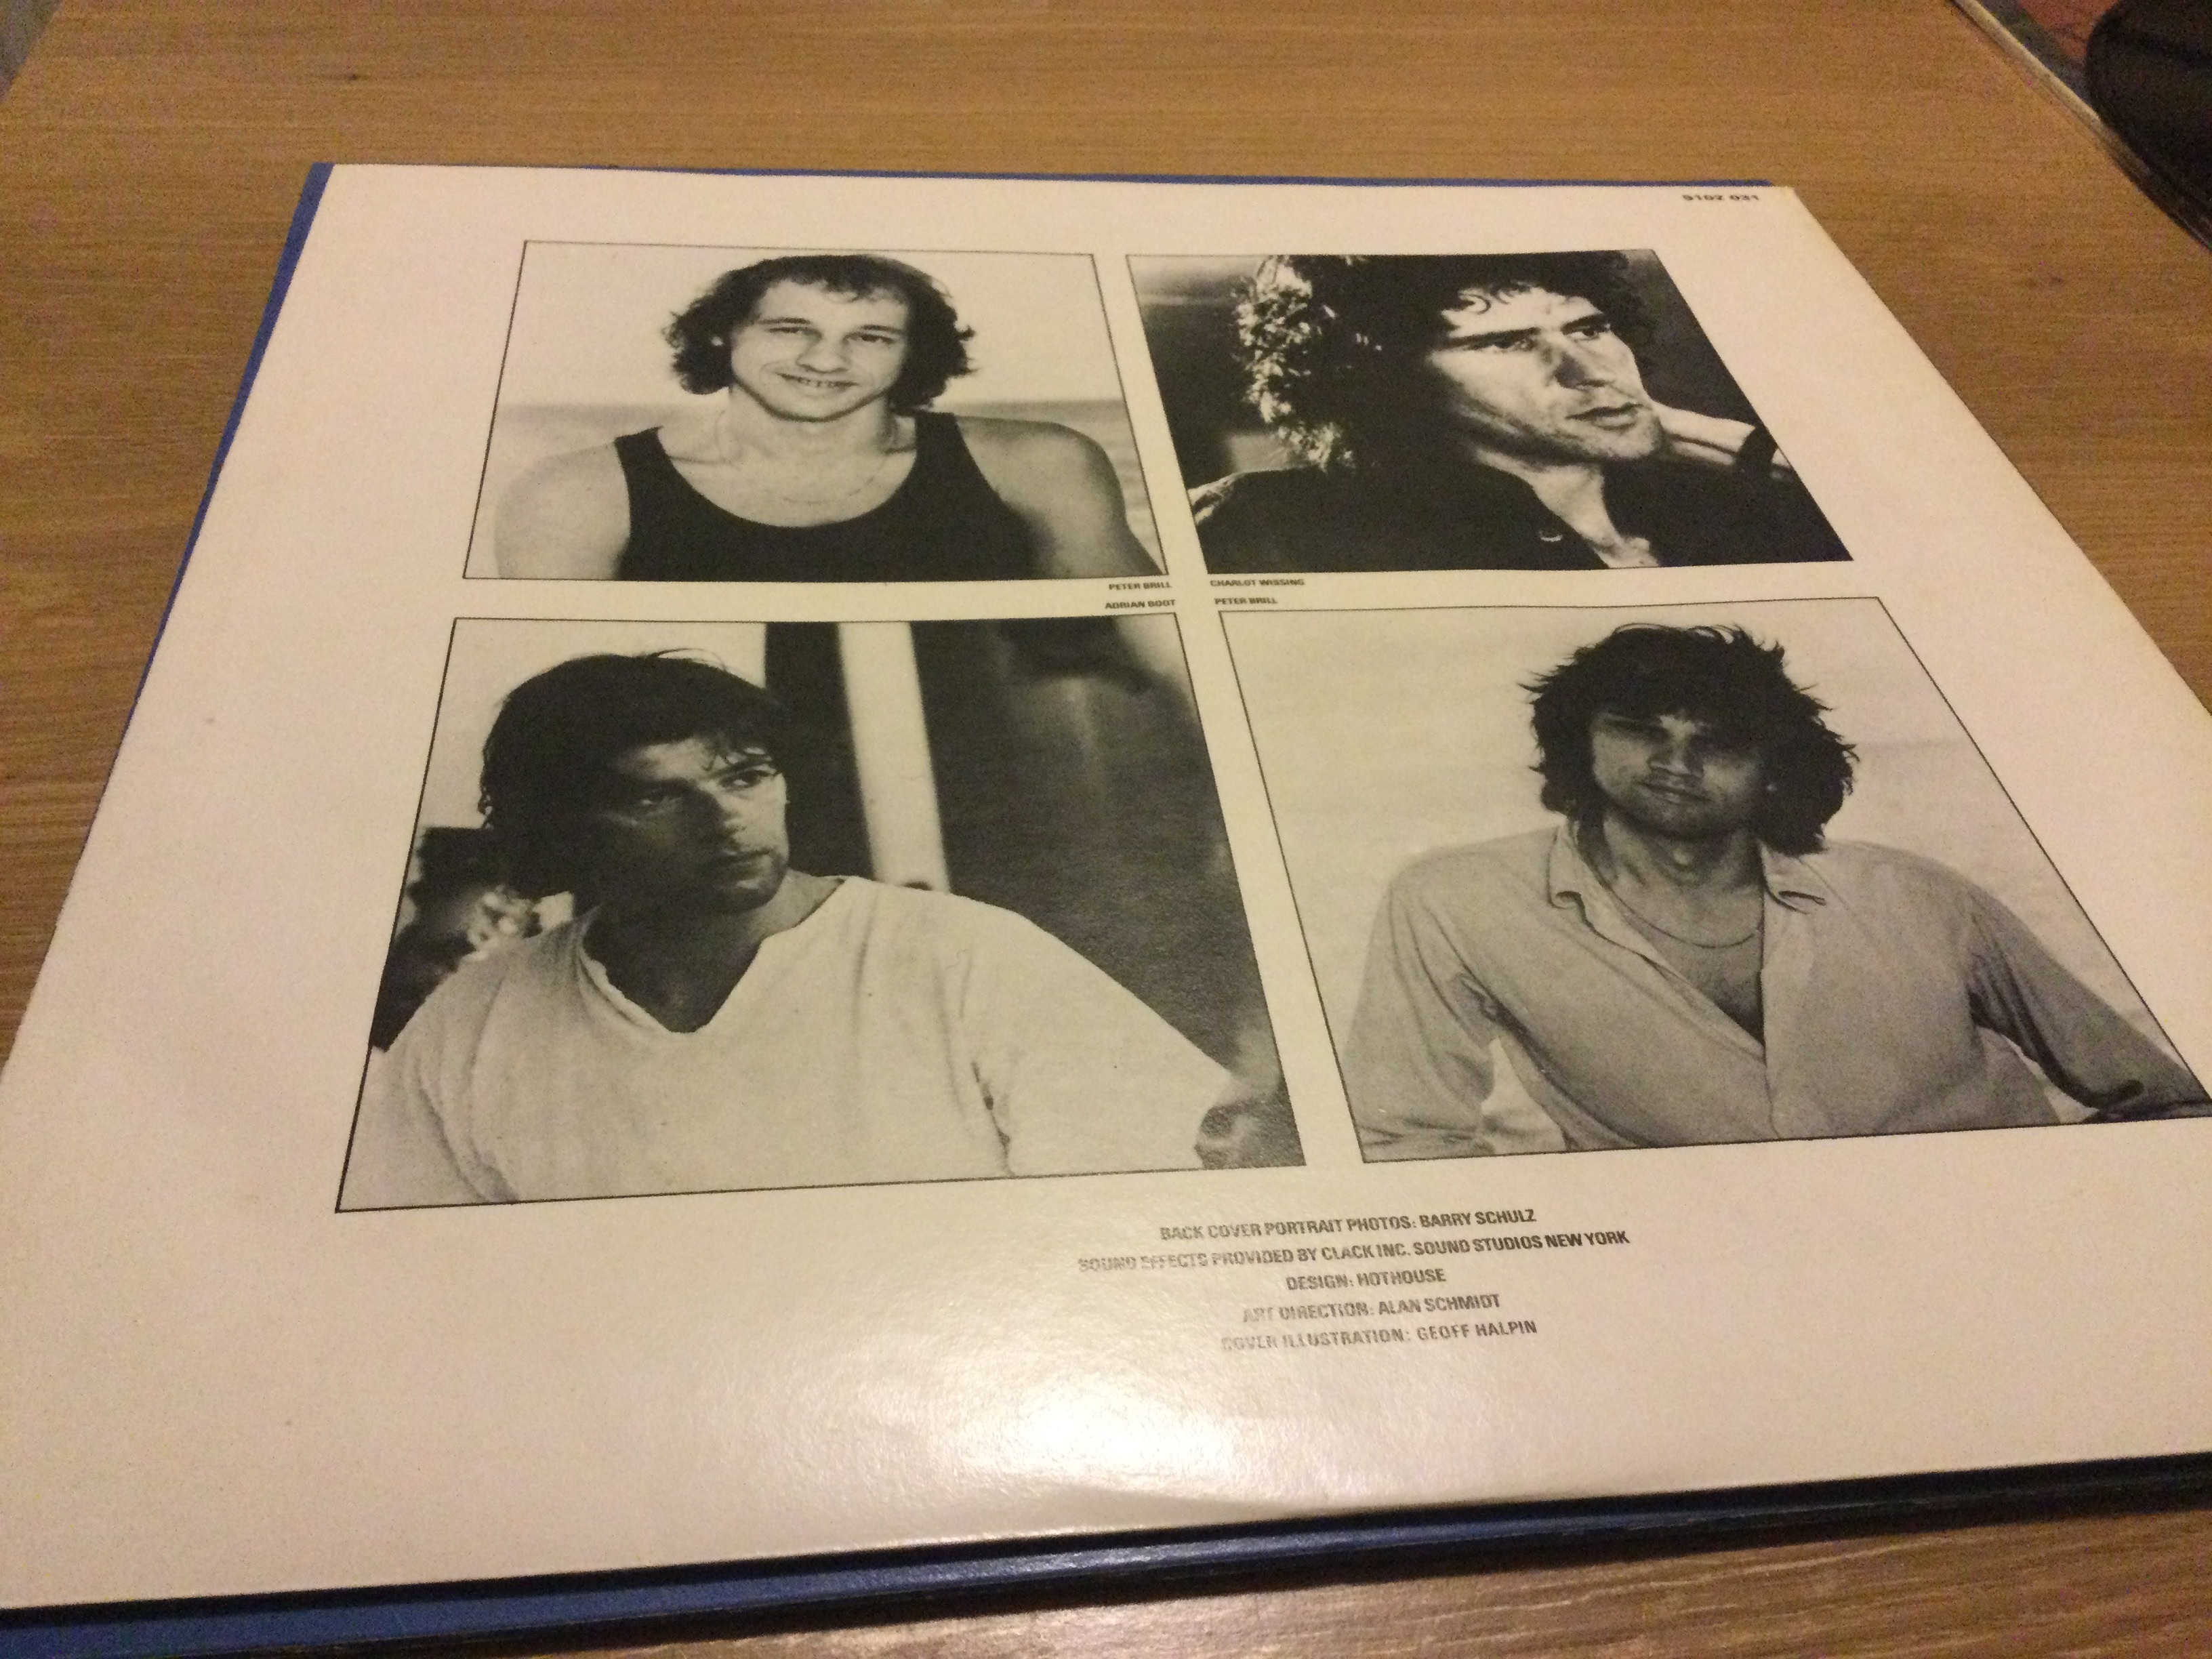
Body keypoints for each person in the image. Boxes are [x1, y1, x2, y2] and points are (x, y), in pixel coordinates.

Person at [342, 653, 1282, 1208]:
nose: (726, 820)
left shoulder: (965, 958)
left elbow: (1132, 1226)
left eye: (745, 777)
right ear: (561, 827)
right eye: (656, 799)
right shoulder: (475, 1025)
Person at [1343, 625, 2205, 1156]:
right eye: (1640, 731)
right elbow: (1406, 1138)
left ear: (1775, 770)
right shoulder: (1457, 900)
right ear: (1582, 742)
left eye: (1718, 743)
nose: (1675, 762)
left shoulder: (1918, 899)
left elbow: (2170, 1102)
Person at [497, 253, 1158, 582]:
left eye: (870, 336)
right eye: (791, 329)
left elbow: (1146, 627)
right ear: (724, 335)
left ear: (912, 353)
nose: (826, 359)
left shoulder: (1040, 465)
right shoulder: (577, 495)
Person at [1189, 253, 1851, 573]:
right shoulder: (1271, 523)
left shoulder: (1738, 509)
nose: (1586, 370)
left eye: (1588, 329)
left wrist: (1700, 435)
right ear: (1384, 379)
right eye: (1505, 343)